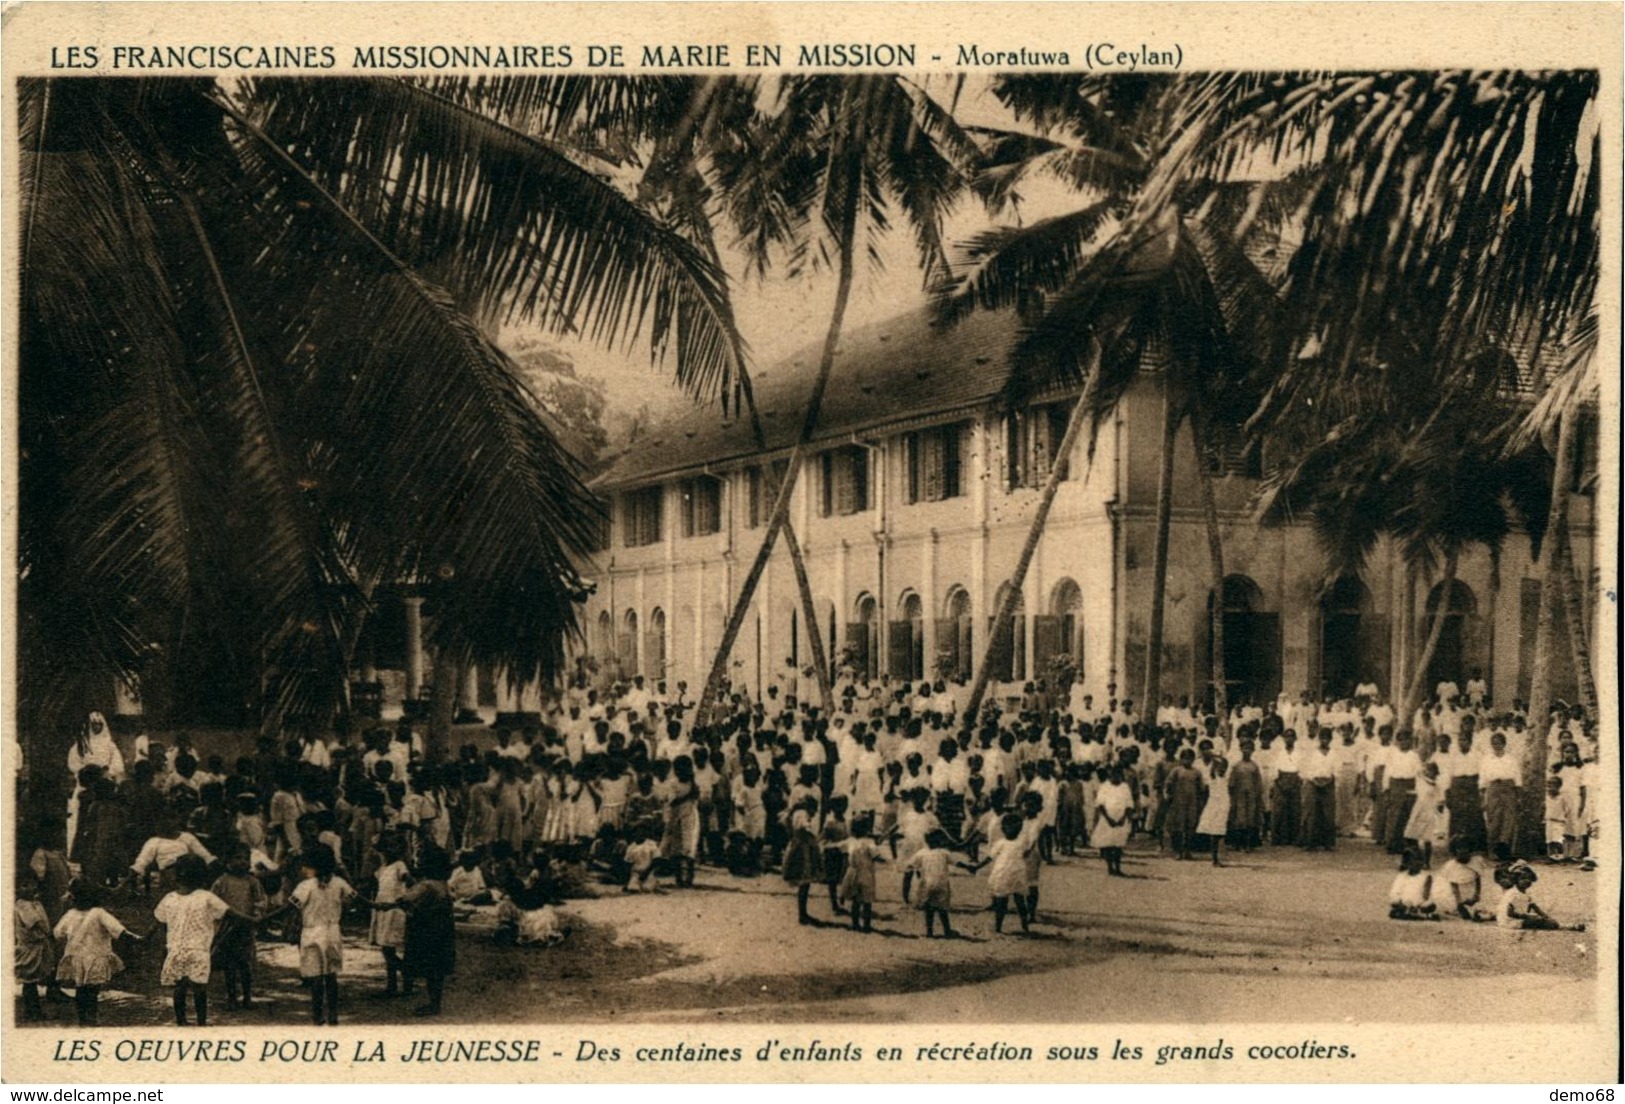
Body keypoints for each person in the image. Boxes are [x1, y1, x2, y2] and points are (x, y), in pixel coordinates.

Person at [153, 854, 237, 1026]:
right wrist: (220, 938)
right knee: (199, 988)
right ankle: (201, 1022)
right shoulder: (206, 897)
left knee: (179, 987)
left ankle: (181, 1021)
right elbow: (230, 915)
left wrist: (162, 945)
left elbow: (160, 923)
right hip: (198, 950)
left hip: (176, 949)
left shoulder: (169, 898)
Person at [288, 847, 357, 1026]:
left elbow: (291, 907)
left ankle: (317, 1014)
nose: (303, 870)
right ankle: (333, 1014)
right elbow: (353, 898)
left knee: (316, 977)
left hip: (312, 932)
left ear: (313, 866)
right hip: (333, 932)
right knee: (331, 975)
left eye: (305, 866)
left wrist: (264, 918)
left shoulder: (305, 886)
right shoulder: (339, 882)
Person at [54, 881, 139, 1026]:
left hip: (77, 958)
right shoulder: (99, 913)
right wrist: (136, 938)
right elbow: (118, 930)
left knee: (80, 989)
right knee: (92, 991)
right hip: (95, 958)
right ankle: (91, 1019)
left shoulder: (70, 914)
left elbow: (58, 933)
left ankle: (83, 1020)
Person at [397, 848, 457, 1016]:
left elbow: (405, 900)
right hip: (443, 929)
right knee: (437, 970)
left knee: (427, 965)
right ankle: (435, 1002)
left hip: (426, 929)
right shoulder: (443, 884)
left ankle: (430, 1003)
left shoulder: (426, 885)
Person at [209, 846, 268, 1009]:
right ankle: (231, 997)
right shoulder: (221, 882)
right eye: (237, 858)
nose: (242, 862)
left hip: (246, 928)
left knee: (245, 963)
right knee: (229, 964)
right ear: (227, 861)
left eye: (245, 859)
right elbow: (213, 902)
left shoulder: (252, 881)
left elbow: (260, 900)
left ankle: (247, 996)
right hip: (227, 928)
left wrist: (257, 915)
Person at [370, 834, 412, 998]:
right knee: (386, 950)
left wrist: (407, 888)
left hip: (394, 910)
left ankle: (407, 978)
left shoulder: (399, 865)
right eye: (384, 849)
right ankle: (393, 985)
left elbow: (407, 879)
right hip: (383, 910)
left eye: (391, 848)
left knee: (390, 948)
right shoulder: (381, 869)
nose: (387, 852)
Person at [15, 874, 58, 1021]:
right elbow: (34, 922)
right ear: (18, 889)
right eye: (24, 886)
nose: (29, 888)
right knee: (29, 980)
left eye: (32, 884)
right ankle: (32, 1011)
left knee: (36, 976)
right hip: (29, 946)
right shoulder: (22, 905)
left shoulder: (36, 903)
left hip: (39, 944)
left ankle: (35, 1010)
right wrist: (48, 932)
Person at [1496, 862, 1585, 931]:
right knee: (1541, 923)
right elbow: (1510, 913)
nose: (1527, 881)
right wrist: (1528, 916)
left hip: (1519, 918)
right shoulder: (1513, 894)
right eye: (1523, 879)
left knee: (1543, 919)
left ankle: (1555, 923)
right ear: (1515, 880)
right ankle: (1567, 926)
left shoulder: (1525, 893)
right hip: (1510, 921)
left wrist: (1545, 916)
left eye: (1529, 879)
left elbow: (1534, 906)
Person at [837, 812, 883, 933]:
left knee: (855, 901)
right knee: (867, 902)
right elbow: (876, 856)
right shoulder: (869, 843)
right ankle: (866, 925)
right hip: (866, 874)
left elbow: (843, 856)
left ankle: (855, 923)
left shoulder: (850, 841)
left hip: (852, 872)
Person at [781, 795, 824, 924]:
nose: (815, 813)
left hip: (800, 847)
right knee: (804, 881)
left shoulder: (797, 813)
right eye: (814, 809)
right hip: (802, 850)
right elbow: (805, 827)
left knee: (804, 883)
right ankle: (802, 914)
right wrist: (812, 836)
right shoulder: (802, 814)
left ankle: (803, 913)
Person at [1092, 766, 1134, 877]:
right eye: (1113, 774)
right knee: (1108, 844)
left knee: (1118, 845)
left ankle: (1118, 867)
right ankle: (1110, 867)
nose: (1115, 777)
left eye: (1118, 774)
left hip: (1120, 819)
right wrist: (1108, 818)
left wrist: (1124, 818)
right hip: (1108, 819)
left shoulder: (1125, 787)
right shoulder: (1105, 786)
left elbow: (1129, 804)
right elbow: (1100, 804)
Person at [1196, 758, 1232, 867]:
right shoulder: (1213, 778)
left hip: (1223, 808)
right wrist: (1215, 759)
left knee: (1220, 833)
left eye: (1224, 768)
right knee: (1215, 834)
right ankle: (1214, 858)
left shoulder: (1226, 779)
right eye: (1220, 767)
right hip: (1215, 808)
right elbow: (1211, 772)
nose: (1222, 770)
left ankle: (1218, 857)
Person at [1388, 848, 1436, 921]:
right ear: (1407, 863)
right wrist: (1400, 901)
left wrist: (1416, 904)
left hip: (1419, 903)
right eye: (1415, 860)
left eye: (1420, 860)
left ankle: (1412, 912)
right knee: (1394, 902)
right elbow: (1395, 891)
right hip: (1403, 902)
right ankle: (1409, 912)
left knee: (1429, 905)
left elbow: (1425, 895)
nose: (1418, 863)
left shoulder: (1426, 876)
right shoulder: (1402, 875)